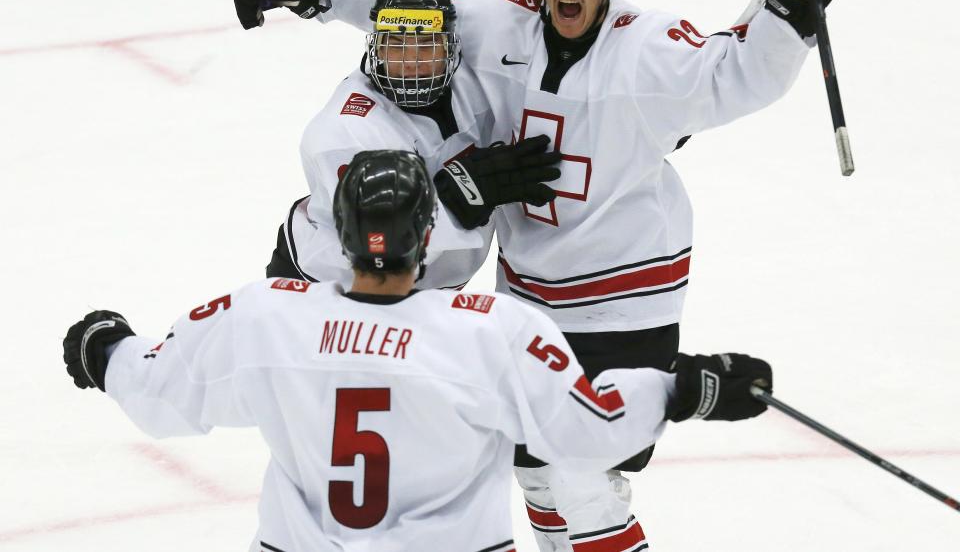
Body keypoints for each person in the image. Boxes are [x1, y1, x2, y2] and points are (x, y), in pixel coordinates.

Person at [232, 0, 839, 550]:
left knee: (584, 479)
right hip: (525, 304)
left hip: (625, 302)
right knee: (536, 478)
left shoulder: (649, 50)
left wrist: (788, 3)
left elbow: (738, 73)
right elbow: (414, 8)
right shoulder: (502, 18)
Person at [62, 150, 774, 552]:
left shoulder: (268, 315)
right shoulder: (489, 329)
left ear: (339, 235)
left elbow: (160, 394)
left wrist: (106, 349)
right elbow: (587, 432)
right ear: (428, 235)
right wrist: (688, 387)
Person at [251, 0, 561, 289]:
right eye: (396, 45)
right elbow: (375, 245)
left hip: (422, 293)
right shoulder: (346, 133)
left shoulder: (475, 83)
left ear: (451, 48)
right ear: (376, 49)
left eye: (426, 45)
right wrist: (455, 202)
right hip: (325, 290)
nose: (410, 62)